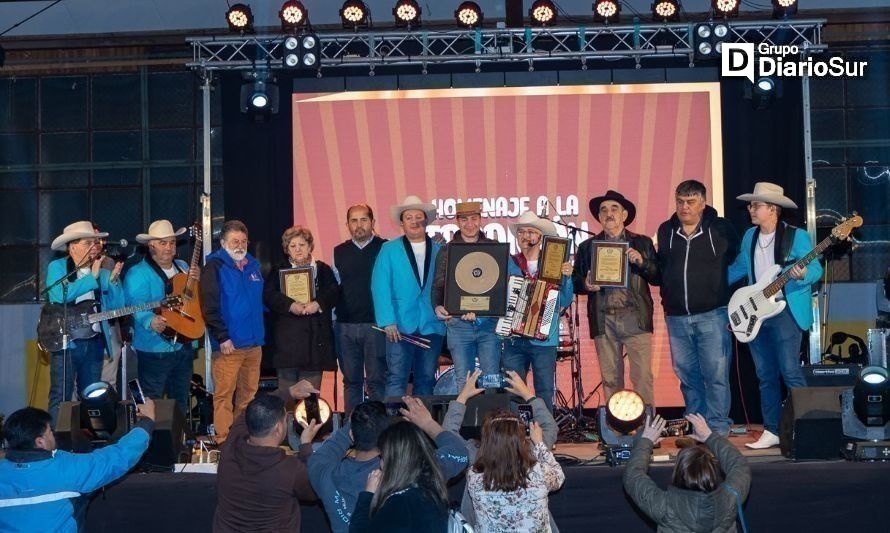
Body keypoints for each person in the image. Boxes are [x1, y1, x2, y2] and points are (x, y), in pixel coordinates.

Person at [728, 183, 823, 449]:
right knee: (765, 375)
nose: (751, 210)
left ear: (773, 210)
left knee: (790, 370)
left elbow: (816, 269)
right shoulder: (749, 237)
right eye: (750, 205)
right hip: (757, 314)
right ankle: (771, 429)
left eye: (755, 205)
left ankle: (807, 427)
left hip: (785, 311)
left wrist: (803, 273)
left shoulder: (797, 236)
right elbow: (738, 269)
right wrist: (710, 283)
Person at [308, 397, 469, 533]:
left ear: (352, 434)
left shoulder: (324, 474)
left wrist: (349, 428)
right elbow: (459, 454)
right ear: (387, 438)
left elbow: (322, 455)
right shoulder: (411, 471)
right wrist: (427, 423)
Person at [656, 180, 739, 436]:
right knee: (688, 378)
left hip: (713, 315)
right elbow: (662, 270)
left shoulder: (721, 228)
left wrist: (721, 290)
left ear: (703, 203)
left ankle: (717, 427)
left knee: (716, 375)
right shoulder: (666, 230)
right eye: (680, 201)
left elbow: (737, 260)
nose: (684, 207)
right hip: (677, 317)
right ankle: (697, 425)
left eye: (690, 202)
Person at [0, 399, 156, 533]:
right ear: (40, 442)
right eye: (50, 431)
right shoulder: (67, 469)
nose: (53, 434)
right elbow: (119, 456)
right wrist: (147, 421)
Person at [444, 368, 560, 530]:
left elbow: (448, 435)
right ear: (521, 437)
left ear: (486, 436)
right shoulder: (536, 462)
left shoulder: (475, 467)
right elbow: (550, 427)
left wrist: (463, 396)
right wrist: (527, 394)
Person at [573, 191, 659, 406]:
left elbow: (658, 276)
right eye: (603, 210)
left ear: (624, 215)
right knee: (611, 380)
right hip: (604, 320)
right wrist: (586, 284)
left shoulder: (642, 243)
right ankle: (617, 430)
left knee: (642, 379)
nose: (608, 213)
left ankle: (646, 431)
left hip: (635, 318)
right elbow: (575, 281)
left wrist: (642, 262)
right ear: (599, 217)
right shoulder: (587, 247)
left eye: (614, 209)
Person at [213, 380, 321, 533]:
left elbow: (246, 413)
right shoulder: (290, 469)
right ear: (278, 428)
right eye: (285, 419)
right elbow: (314, 490)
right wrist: (305, 446)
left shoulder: (230, 446)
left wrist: (288, 392)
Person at [44, 221, 124, 425]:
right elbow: (58, 295)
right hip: (67, 342)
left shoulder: (102, 270)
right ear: (72, 246)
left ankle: (88, 440)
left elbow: (116, 307)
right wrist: (92, 277)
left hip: (94, 342)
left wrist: (114, 282)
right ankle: (58, 440)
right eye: (88, 242)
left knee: (92, 395)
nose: (93, 247)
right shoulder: (58, 267)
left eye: (95, 242)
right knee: (61, 395)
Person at [623, 413, 751, 532]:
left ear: (678, 473)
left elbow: (633, 475)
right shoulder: (731, 498)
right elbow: (739, 465)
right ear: (712, 471)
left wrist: (645, 441)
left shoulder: (664, 506)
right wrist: (709, 437)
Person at [371, 196, 445, 397]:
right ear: (402, 223)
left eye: (418, 217)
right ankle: (395, 427)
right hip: (399, 326)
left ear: (426, 221)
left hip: (431, 325)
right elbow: (380, 286)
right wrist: (387, 321)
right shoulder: (388, 249)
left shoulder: (440, 250)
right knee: (396, 378)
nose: (414, 221)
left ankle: (422, 428)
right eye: (409, 217)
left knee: (427, 379)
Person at [124, 219, 199, 415]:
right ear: (151, 246)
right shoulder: (137, 273)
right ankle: (150, 442)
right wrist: (150, 321)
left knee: (180, 402)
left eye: (172, 242)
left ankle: (179, 443)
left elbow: (193, 301)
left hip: (182, 346)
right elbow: (135, 305)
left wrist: (197, 282)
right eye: (163, 243)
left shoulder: (183, 267)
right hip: (153, 348)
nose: (169, 247)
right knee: (151, 401)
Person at [501, 211, 574, 412]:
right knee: (512, 390)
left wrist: (567, 277)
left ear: (541, 237)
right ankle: (513, 438)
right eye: (521, 232)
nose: (526, 236)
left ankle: (546, 434)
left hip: (544, 339)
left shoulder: (554, 262)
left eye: (531, 232)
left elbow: (565, 300)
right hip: (513, 339)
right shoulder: (509, 263)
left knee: (544, 390)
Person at [200, 220, 265, 444]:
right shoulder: (214, 267)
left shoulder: (253, 267)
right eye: (235, 241)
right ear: (223, 243)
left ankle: (242, 438)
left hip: (254, 343)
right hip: (229, 345)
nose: (240, 245)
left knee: (248, 395)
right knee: (224, 395)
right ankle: (224, 441)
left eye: (243, 241)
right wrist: (222, 337)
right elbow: (209, 307)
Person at [432, 201, 501, 392]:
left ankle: (492, 423)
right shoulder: (447, 250)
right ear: (457, 221)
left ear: (480, 219)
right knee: (464, 382)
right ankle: (466, 423)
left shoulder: (494, 248)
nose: (469, 224)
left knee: (492, 380)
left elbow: (501, 285)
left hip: (488, 325)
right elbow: (438, 284)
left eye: (474, 218)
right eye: (464, 219)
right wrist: (437, 306)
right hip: (458, 325)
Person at [264, 226, 339, 393]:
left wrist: (318, 304)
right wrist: (290, 305)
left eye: (302, 245)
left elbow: (334, 292)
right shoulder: (278, 270)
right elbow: (268, 295)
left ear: (310, 246)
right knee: (287, 396)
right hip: (287, 347)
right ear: (286, 249)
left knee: (310, 401)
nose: (298, 249)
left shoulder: (323, 269)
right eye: (292, 246)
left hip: (315, 345)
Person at [466, 408, 565, 533]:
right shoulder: (539, 474)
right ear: (522, 441)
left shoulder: (474, 477)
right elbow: (559, 476)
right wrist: (539, 443)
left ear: (486, 442)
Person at [334, 204, 388, 414]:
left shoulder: (386, 249)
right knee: (351, 382)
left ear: (372, 223)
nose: (359, 225)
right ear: (347, 224)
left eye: (363, 220)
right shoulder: (338, 251)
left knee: (377, 382)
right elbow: (335, 289)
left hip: (376, 326)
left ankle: (380, 431)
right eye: (353, 221)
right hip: (345, 327)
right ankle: (351, 433)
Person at [349, 420, 450, 532]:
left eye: (382, 457)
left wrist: (367, 495)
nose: (381, 464)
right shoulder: (431, 489)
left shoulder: (401, 503)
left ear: (395, 461)